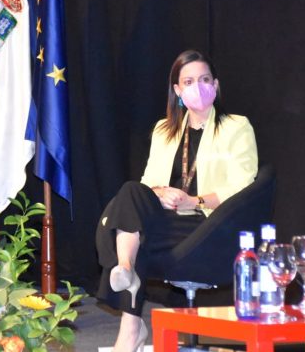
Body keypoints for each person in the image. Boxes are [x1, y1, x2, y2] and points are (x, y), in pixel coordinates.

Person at [95, 50, 258, 352]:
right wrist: (161, 193)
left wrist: (194, 201)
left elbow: (242, 185)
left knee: (129, 229)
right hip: (165, 218)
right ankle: (125, 267)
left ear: (216, 85)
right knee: (132, 192)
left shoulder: (236, 126)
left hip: (208, 224)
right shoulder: (164, 129)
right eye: (189, 81)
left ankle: (131, 325)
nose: (198, 86)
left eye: (205, 79)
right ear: (177, 90)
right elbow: (148, 183)